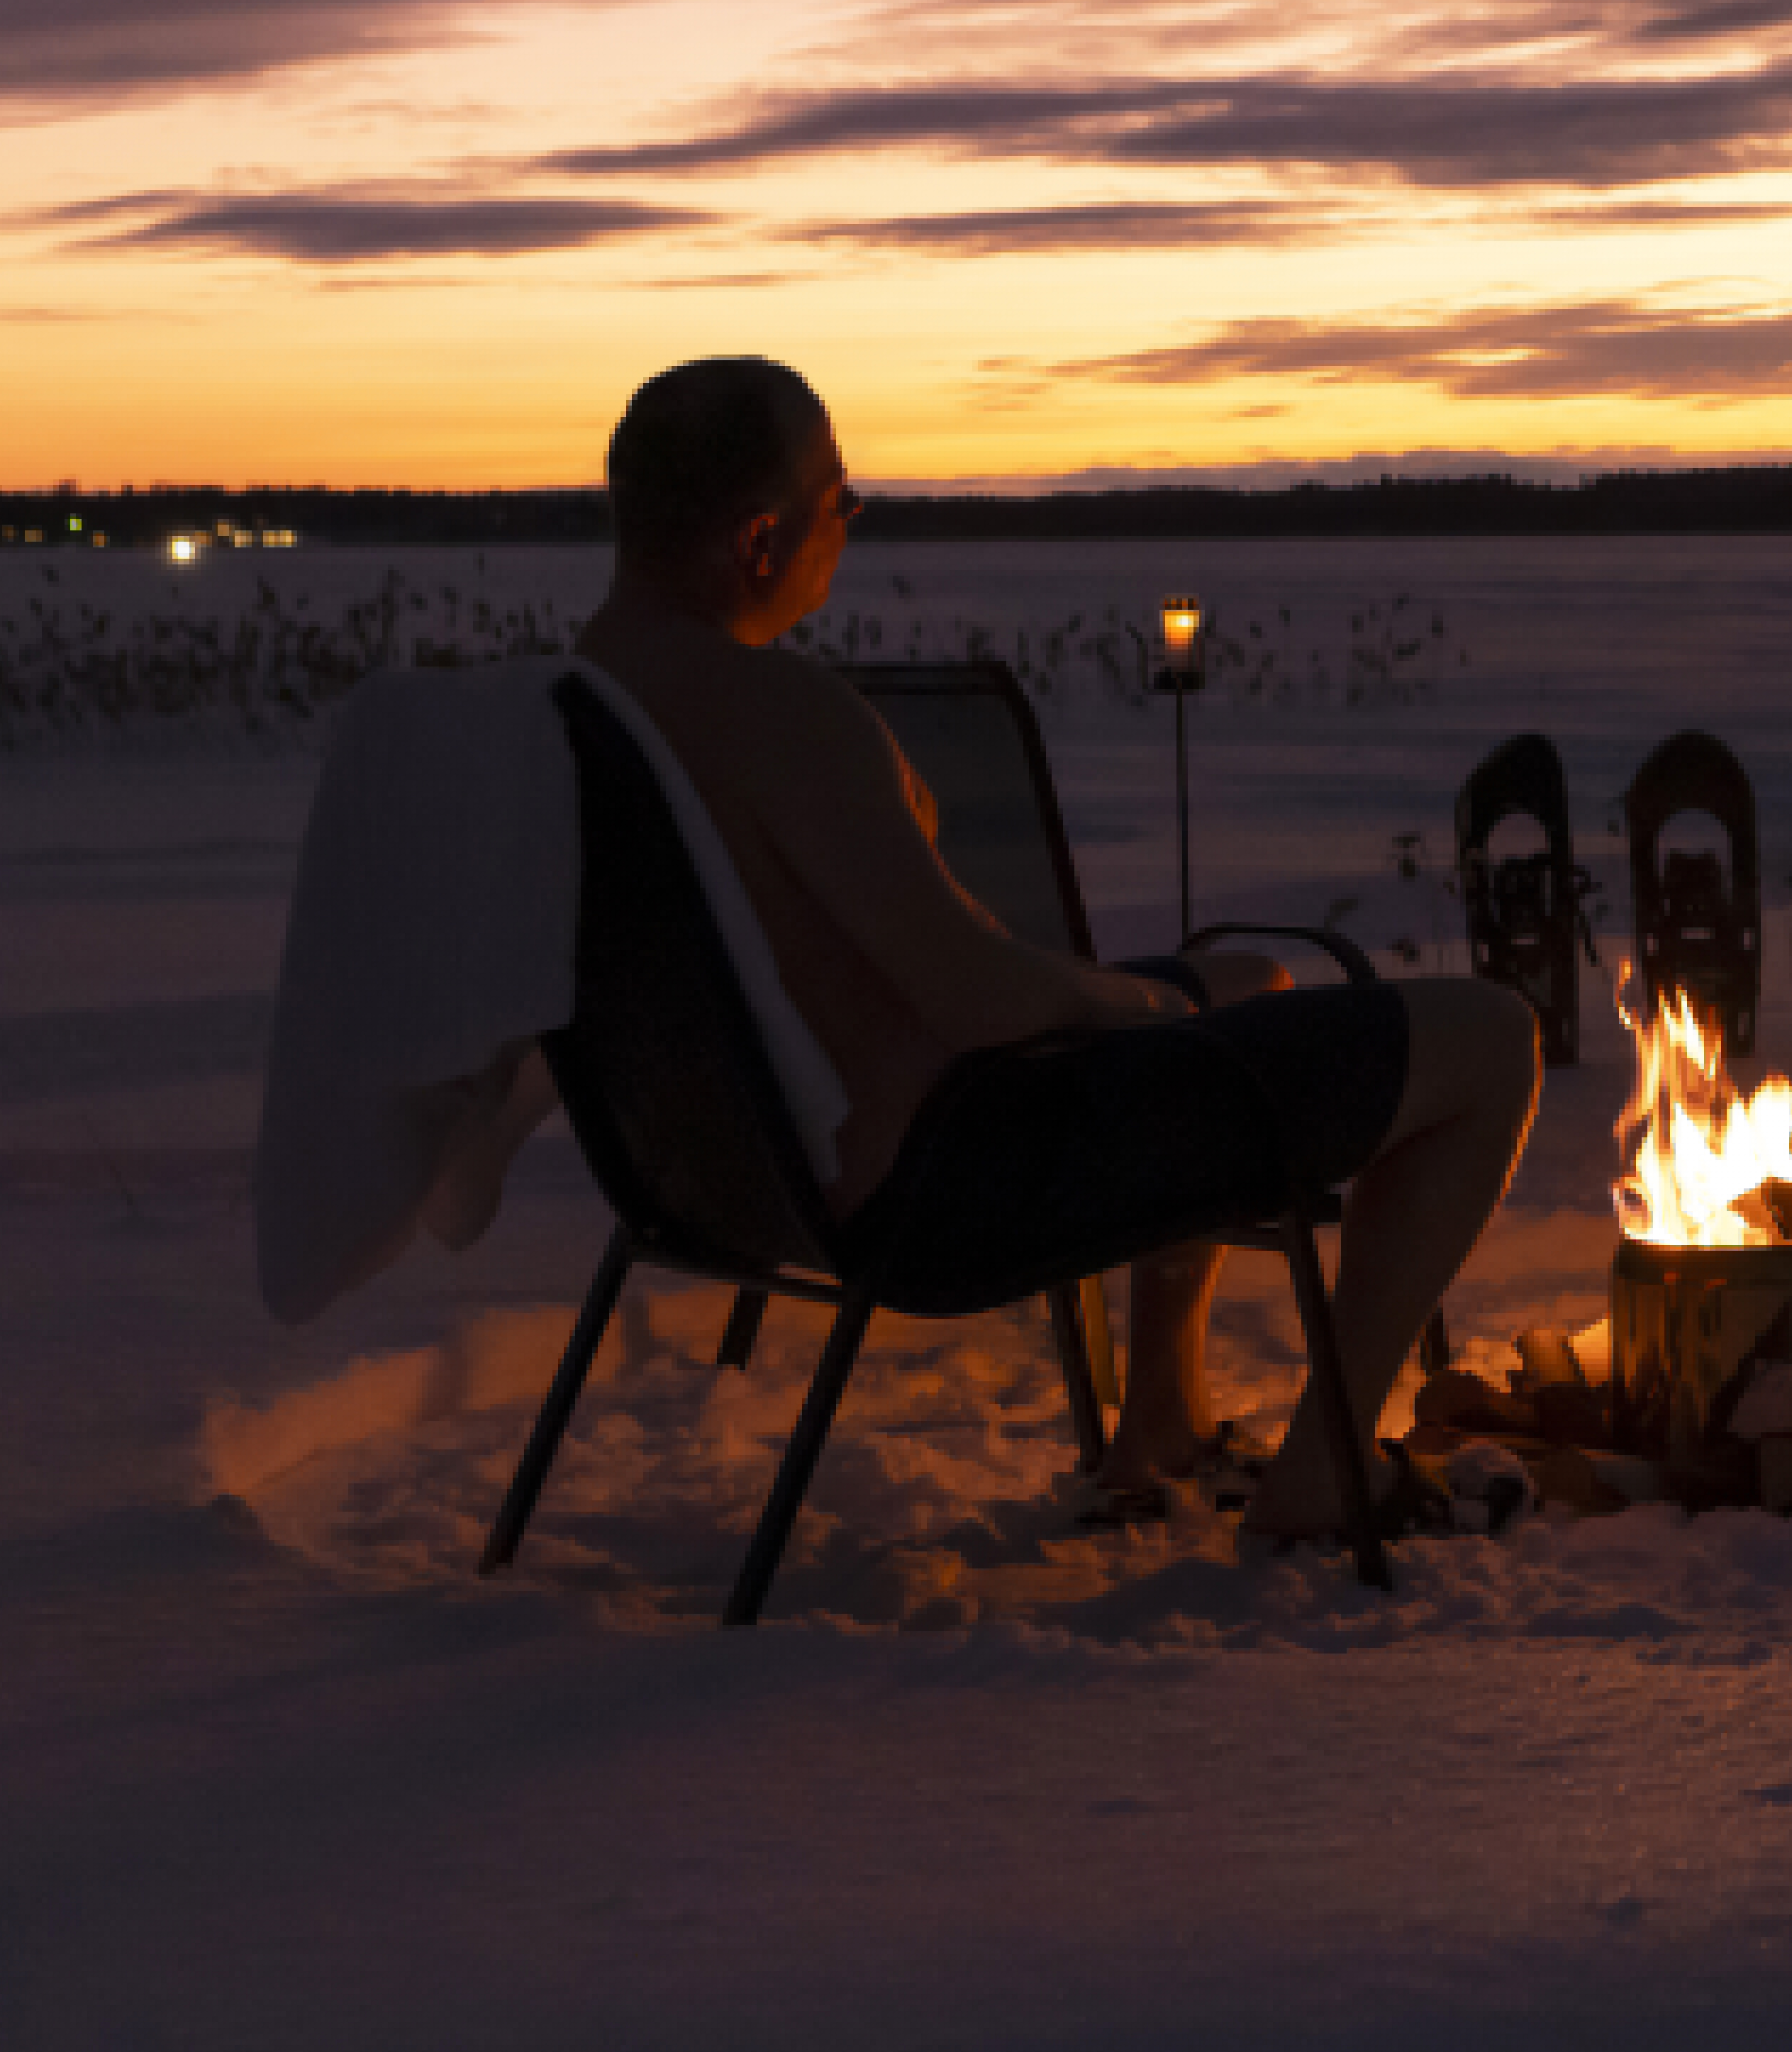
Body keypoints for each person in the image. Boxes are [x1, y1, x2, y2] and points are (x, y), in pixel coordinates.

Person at [572, 355, 1542, 1532]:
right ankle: (1327, 1470)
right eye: (842, 500)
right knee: (1489, 1039)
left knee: (1250, 976)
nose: (852, 525)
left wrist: (1140, 1002)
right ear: (762, 540)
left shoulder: (576, 717)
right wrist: (1135, 1011)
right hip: (952, 1187)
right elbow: (976, 996)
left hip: (741, 1176)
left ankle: (1161, 1422)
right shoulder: (780, 715)